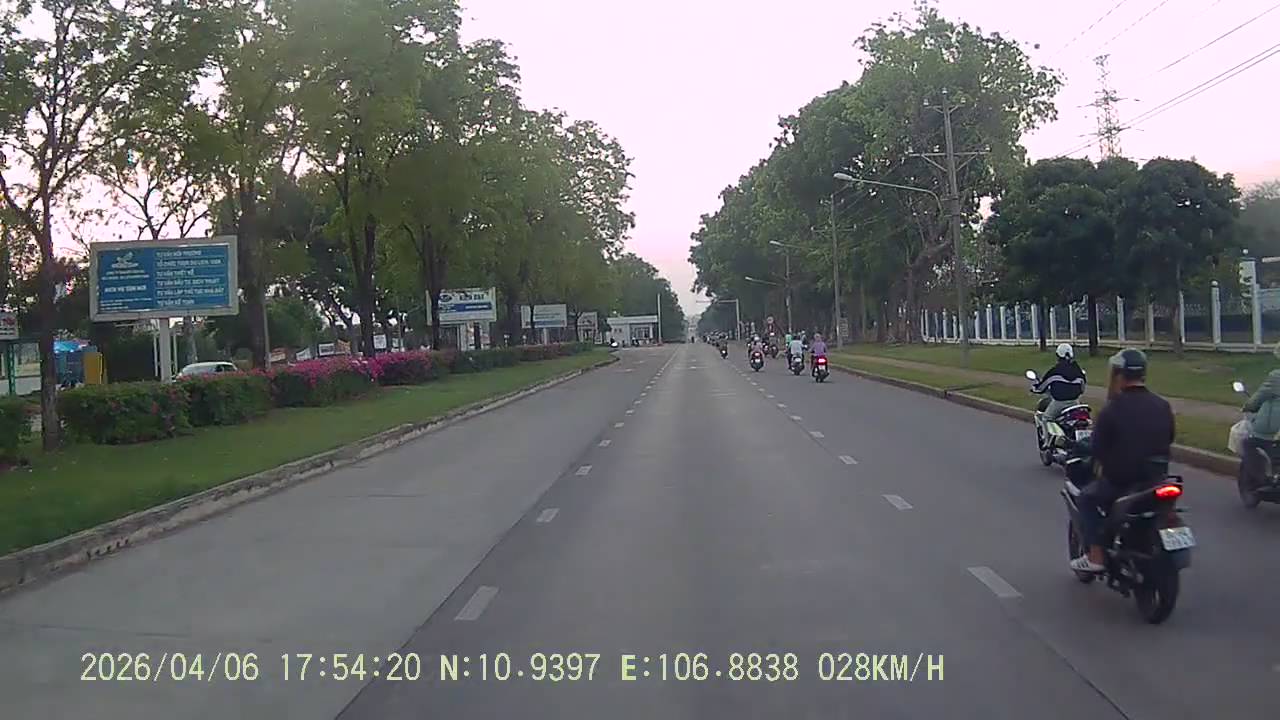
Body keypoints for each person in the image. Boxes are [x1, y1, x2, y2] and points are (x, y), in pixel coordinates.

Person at [1069, 348, 1175, 573]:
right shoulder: (1162, 405)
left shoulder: (1112, 410)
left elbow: (1097, 447)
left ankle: (1096, 556)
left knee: (1086, 499)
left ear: (1119, 375)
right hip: (1156, 480)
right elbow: (1170, 437)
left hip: (1121, 482)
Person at [1239, 342, 1280, 487]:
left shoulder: (1277, 376)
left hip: (1275, 431)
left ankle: (1263, 480)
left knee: (1248, 443)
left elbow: (1259, 397)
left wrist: (1248, 406)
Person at [1031, 343, 1087, 420]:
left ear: (1058, 355)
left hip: (1059, 403)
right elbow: (1082, 389)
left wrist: (1034, 388)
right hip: (1075, 402)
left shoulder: (1055, 371)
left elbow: (1041, 388)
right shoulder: (1078, 371)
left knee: (1046, 418)